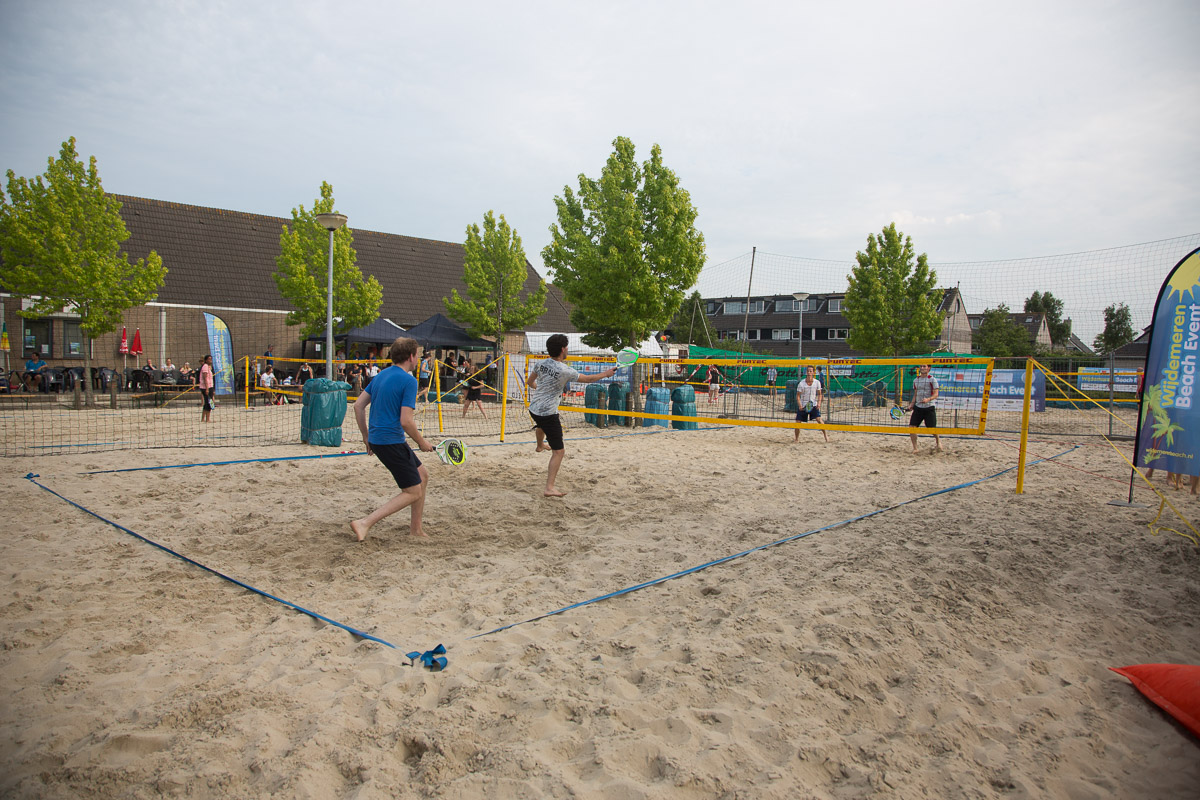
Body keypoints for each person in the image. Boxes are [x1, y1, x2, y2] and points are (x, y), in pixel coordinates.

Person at [350, 337, 436, 542]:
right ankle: (364, 523)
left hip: (380, 439)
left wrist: (366, 437)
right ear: (411, 356)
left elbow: (358, 406)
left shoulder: (381, 375)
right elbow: (406, 421)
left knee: (422, 476)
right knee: (413, 491)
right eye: (417, 355)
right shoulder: (409, 381)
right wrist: (421, 442)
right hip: (390, 441)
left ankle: (416, 529)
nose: (418, 359)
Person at [527, 333, 617, 497]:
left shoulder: (540, 363)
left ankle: (540, 445)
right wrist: (606, 374)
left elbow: (529, 382)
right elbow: (588, 379)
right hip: (548, 413)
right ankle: (549, 488)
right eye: (567, 347)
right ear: (563, 349)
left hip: (533, 408)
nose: (567, 349)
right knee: (559, 451)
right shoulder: (564, 370)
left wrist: (541, 391)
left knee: (541, 424)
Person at [908, 364, 942, 453]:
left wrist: (928, 399)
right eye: (921, 366)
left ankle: (938, 442)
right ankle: (915, 448)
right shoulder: (916, 380)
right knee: (912, 427)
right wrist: (912, 404)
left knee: (932, 428)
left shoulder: (932, 379)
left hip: (929, 407)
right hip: (918, 407)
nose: (922, 368)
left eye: (924, 366)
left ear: (929, 368)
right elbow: (915, 394)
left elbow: (936, 394)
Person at [793, 365, 830, 443]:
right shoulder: (801, 383)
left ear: (813, 372)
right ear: (806, 372)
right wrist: (800, 405)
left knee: (819, 420)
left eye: (811, 371)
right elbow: (798, 396)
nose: (809, 372)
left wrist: (819, 403)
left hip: (813, 405)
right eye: (808, 371)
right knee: (798, 422)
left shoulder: (817, 382)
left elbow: (819, 394)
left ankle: (826, 436)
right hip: (803, 405)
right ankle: (796, 439)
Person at [198, 355, 215, 423]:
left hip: (209, 386)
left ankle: (203, 419)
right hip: (206, 387)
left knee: (206, 403)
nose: (210, 360)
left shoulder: (208, 367)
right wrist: (207, 389)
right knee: (208, 403)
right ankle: (207, 419)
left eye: (211, 359)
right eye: (209, 359)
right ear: (206, 360)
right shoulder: (205, 366)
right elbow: (205, 378)